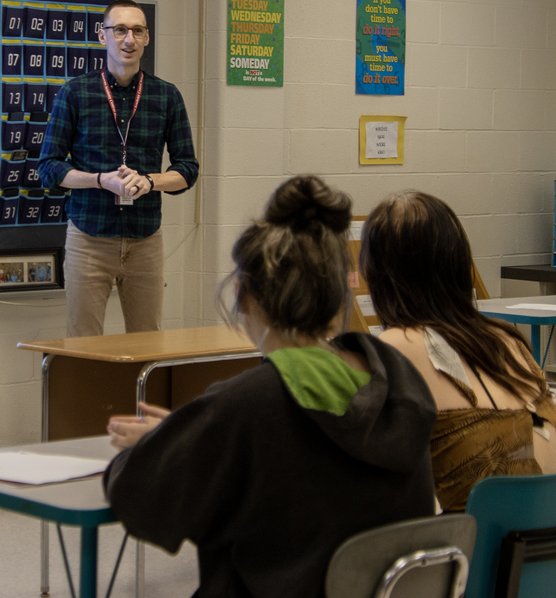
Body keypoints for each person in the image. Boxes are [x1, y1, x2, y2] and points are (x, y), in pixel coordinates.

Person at [103, 176, 436, 598]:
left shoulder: (245, 404)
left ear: (243, 296)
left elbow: (142, 497)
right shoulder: (400, 386)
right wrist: (190, 435)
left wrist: (161, 444)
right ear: (338, 298)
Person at [360, 191, 556, 512]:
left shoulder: (394, 348)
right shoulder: (508, 340)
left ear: (376, 274)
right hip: (542, 546)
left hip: (475, 550)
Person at [37, 0, 198, 337]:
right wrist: (100, 180)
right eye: (120, 30)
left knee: (147, 342)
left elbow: (187, 169)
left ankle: (139, 394)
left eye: (137, 31)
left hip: (145, 240)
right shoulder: (75, 93)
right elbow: (49, 168)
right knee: (84, 346)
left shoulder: (167, 96)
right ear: (102, 36)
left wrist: (150, 181)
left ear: (147, 38)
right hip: (89, 239)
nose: (129, 39)